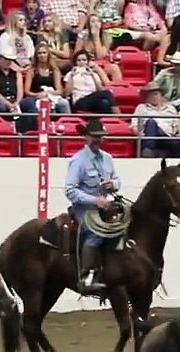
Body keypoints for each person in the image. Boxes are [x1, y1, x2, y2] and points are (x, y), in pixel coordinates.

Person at [64, 117, 123, 295]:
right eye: (94, 136)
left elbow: (118, 180)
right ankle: (86, 276)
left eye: (100, 136)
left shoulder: (108, 158)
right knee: (96, 231)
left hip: (105, 206)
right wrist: (94, 200)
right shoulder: (78, 161)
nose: (98, 140)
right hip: (84, 210)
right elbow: (70, 190)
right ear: (86, 137)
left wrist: (112, 184)